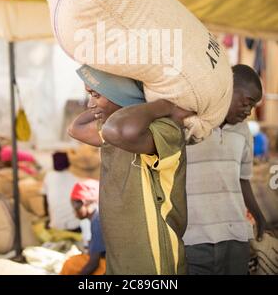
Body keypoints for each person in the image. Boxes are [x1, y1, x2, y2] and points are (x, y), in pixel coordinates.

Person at [67, 65, 194, 275]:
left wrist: (166, 106)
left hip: (153, 260)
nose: (90, 104)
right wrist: (109, 100)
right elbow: (75, 129)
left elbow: (117, 130)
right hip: (121, 259)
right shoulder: (112, 127)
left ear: (120, 92)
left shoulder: (164, 128)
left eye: (96, 95)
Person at [184, 64, 269, 275]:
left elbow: (243, 179)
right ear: (227, 88)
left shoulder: (243, 132)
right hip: (193, 237)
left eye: (253, 106)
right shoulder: (190, 124)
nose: (248, 111)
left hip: (235, 236)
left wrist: (258, 215)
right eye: (247, 102)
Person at [60, 179, 106, 275]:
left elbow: (94, 263)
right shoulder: (99, 216)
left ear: (83, 203)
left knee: (70, 265)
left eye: (75, 207)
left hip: (105, 266)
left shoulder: (97, 220)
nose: (74, 212)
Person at [42, 152, 89, 240]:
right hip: (75, 226)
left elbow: (45, 200)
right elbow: (80, 204)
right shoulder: (75, 179)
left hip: (56, 226)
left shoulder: (49, 176)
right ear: (68, 163)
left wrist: (47, 218)